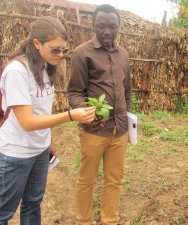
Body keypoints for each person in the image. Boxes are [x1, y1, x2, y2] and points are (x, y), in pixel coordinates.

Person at [0, 16, 96, 225]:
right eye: (55, 49)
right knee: (3, 213)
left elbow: (41, 111)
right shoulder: (17, 72)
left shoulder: (46, 67)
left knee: (33, 205)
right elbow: (27, 122)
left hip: (39, 153)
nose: (60, 55)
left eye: (64, 50)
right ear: (36, 43)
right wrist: (71, 115)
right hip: (15, 154)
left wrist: (48, 142)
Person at [67, 4, 132, 225]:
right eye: (101, 26)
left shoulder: (124, 54)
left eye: (112, 26)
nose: (107, 31)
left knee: (114, 180)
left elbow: (127, 89)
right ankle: (84, 221)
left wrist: (128, 117)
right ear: (93, 25)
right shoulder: (82, 53)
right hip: (94, 130)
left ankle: (109, 220)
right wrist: (86, 113)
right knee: (87, 180)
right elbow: (75, 91)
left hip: (119, 130)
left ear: (118, 27)